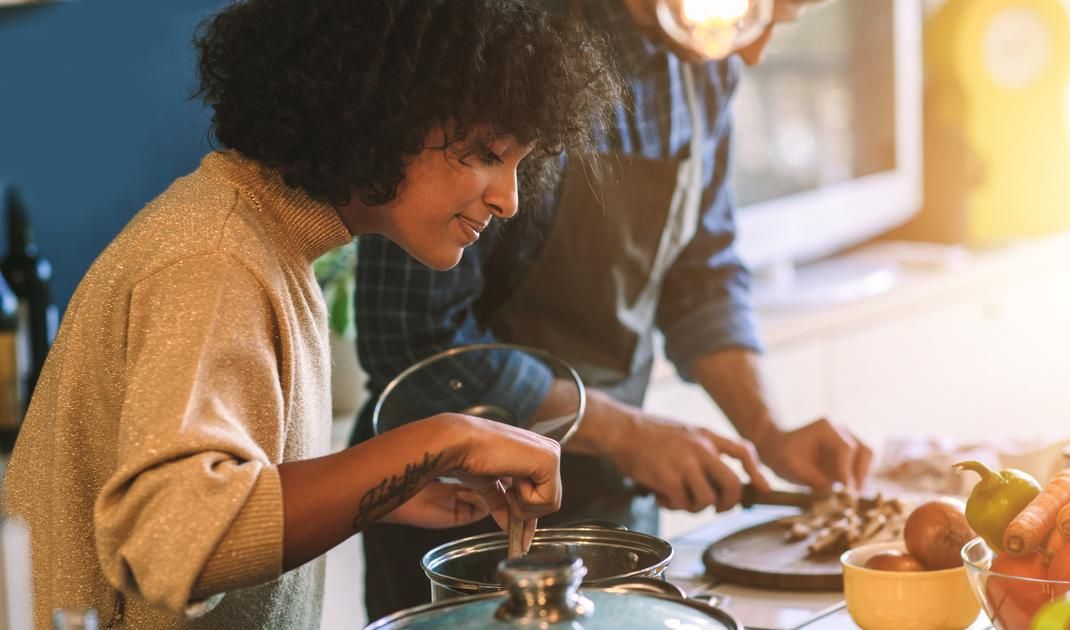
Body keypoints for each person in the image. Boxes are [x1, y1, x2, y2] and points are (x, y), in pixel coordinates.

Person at [2, 0, 620, 628]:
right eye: (489, 152)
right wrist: (443, 438)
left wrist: (378, 493)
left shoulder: (263, 241)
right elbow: (173, 538)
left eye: (520, 164)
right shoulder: (215, 257)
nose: (509, 200)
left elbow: (230, 478)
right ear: (385, 109)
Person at [351, 0, 875, 619]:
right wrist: (625, 433)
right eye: (752, 14)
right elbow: (417, 339)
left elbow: (701, 271)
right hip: (461, 512)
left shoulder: (705, 66)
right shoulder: (490, 50)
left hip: (611, 503)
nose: (755, 52)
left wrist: (767, 432)